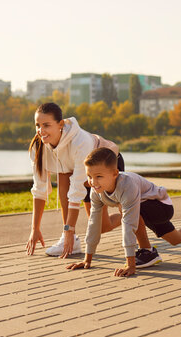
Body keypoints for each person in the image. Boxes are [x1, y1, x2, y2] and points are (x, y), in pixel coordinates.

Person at [66, 147, 181, 276]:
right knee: (176, 239)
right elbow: (94, 223)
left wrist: (130, 265)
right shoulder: (96, 191)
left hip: (161, 207)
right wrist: (87, 259)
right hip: (144, 209)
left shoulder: (127, 185)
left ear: (115, 173)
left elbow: (129, 224)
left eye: (99, 176)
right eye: (89, 176)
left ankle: (147, 252)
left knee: (126, 210)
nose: (93, 182)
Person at [25, 102, 124, 258]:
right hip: (78, 174)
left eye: (46, 125)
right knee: (63, 176)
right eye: (37, 125)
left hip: (106, 166)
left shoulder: (80, 141)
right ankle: (69, 238)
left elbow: (76, 189)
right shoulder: (38, 148)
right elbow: (39, 189)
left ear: (61, 124)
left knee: (103, 226)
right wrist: (35, 229)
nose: (40, 130)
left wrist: (69, 228)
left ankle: (136, 213)